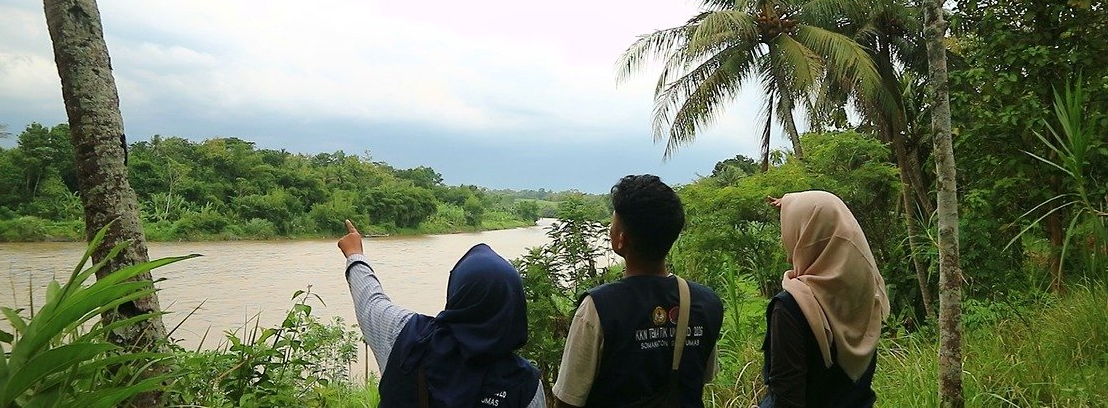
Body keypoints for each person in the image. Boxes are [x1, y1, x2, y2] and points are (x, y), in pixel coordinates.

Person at [553, 174, 724, 408]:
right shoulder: (706, 302)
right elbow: (703, 376)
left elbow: (568, 399)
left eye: (612, 224)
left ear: (621, 240)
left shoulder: (598, 307)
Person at [337, 219, 546, 408]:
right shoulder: (525, 385)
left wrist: (355, 254)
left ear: (457, 291)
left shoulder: (407, 337)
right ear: (514, 305)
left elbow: (370, 301)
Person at [759, 191, 890, 408]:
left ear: (806, 234)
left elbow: (787, 399)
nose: (784, 237)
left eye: (789, 228)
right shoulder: (869, 293)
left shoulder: (792, 307)